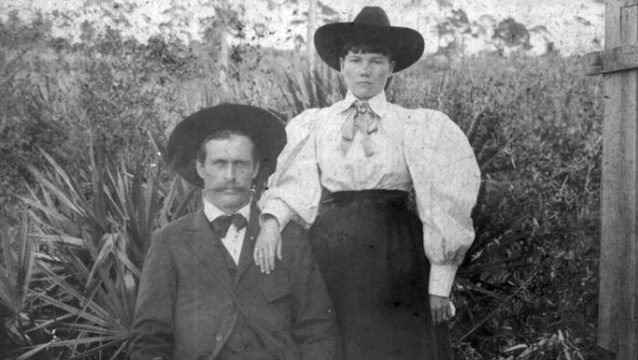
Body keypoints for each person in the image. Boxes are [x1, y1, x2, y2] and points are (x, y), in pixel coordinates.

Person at [254, 7, 481, 360]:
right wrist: (270, 223)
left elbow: (444, 203)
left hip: (397, 256)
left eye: (376, 61)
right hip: (333, 252)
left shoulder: (416, 126)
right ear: (341, 64)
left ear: (391, 68)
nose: (365, 70)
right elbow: (294, 187)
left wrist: (440, 284)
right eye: (356, 59)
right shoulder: (315, 125)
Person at [130, 104, 340, 360]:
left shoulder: (289, 237)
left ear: (254, 170)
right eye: (219, 164)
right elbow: (149, 339)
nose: (230, 175)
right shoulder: (170, 241)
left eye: (240, 164)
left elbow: (317, 328)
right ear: (200, 168)